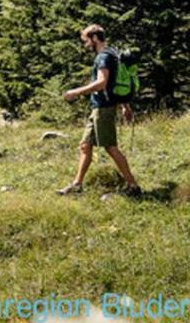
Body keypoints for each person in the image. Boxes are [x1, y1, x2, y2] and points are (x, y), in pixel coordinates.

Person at [56, 24, 142, 197]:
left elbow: (102, 83)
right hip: (99, 107)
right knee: (85, 145)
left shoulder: (103, 57)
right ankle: (77, 185)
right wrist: (125, 105)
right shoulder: (112, 53)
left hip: (104, 108)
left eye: (86, 40)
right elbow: (117, 82)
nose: (85, 44)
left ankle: (133, 186)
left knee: (110, 147)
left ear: (94, 38)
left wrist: (75, 92)